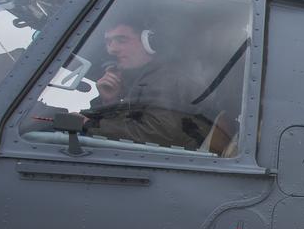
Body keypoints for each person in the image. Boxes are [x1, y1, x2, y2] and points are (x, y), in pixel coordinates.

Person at [82, 17, 211, 150]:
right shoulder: (140, 80)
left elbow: (157, 133)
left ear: (149, 42)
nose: (112, 49)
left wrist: (90, 124)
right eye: (108, 42)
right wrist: (109, 101)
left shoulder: (166, 79)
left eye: (121, 40)